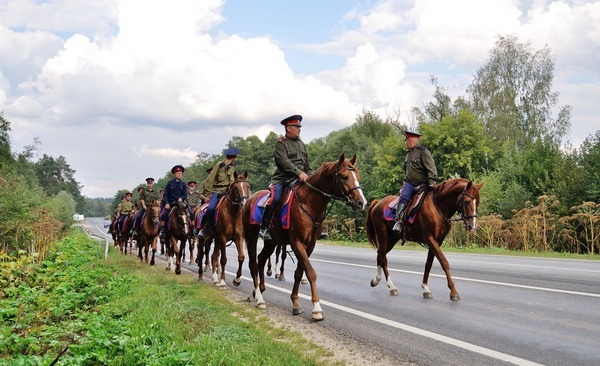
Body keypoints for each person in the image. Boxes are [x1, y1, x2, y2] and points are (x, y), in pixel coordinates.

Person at [259, 114, 312, 240]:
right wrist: (299, 173)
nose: (299, 129)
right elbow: (284, 162)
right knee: (275, 199)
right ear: (288, 128)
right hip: (283, 179)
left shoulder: (301, 143)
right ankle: (264, 227)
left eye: (299, 127)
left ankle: (315, 228)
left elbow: (307, 164)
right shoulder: (281, 143)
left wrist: (310, 176)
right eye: (296, 126)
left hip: (301, 178)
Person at [393, 130, 438, 233]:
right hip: (409, 183)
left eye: (406, 140)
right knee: (403, 197)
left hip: (423, 184)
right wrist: (404, 183)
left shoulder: (423, 151)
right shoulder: (408, 153)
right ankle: (398, 221)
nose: (405, 143)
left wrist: (432, 181)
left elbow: (431, 167)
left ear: (411, 140)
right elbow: (407, 171)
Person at [197, 147, 239, 238]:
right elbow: (210, 179)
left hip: (227, 192)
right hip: (216, 192)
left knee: (239, 207)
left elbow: (232, 181)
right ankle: (203, 228)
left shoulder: (232, 167)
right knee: (211, 208)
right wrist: (209, 193)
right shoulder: (219, 165)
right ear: (233, 157)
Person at [160, 165, 188, 238]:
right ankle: (162, 230)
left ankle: (192, 229)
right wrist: (166, 203)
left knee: (190, 213)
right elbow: (165, 195)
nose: (179, 174)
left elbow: (185, 194)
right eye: (177, 173)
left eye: (180, 173)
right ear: (174, 174)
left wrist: (181, 198)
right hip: (171, 204)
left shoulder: (184, 184)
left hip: (181, 204)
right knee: (164, 215)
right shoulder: (170, 183)